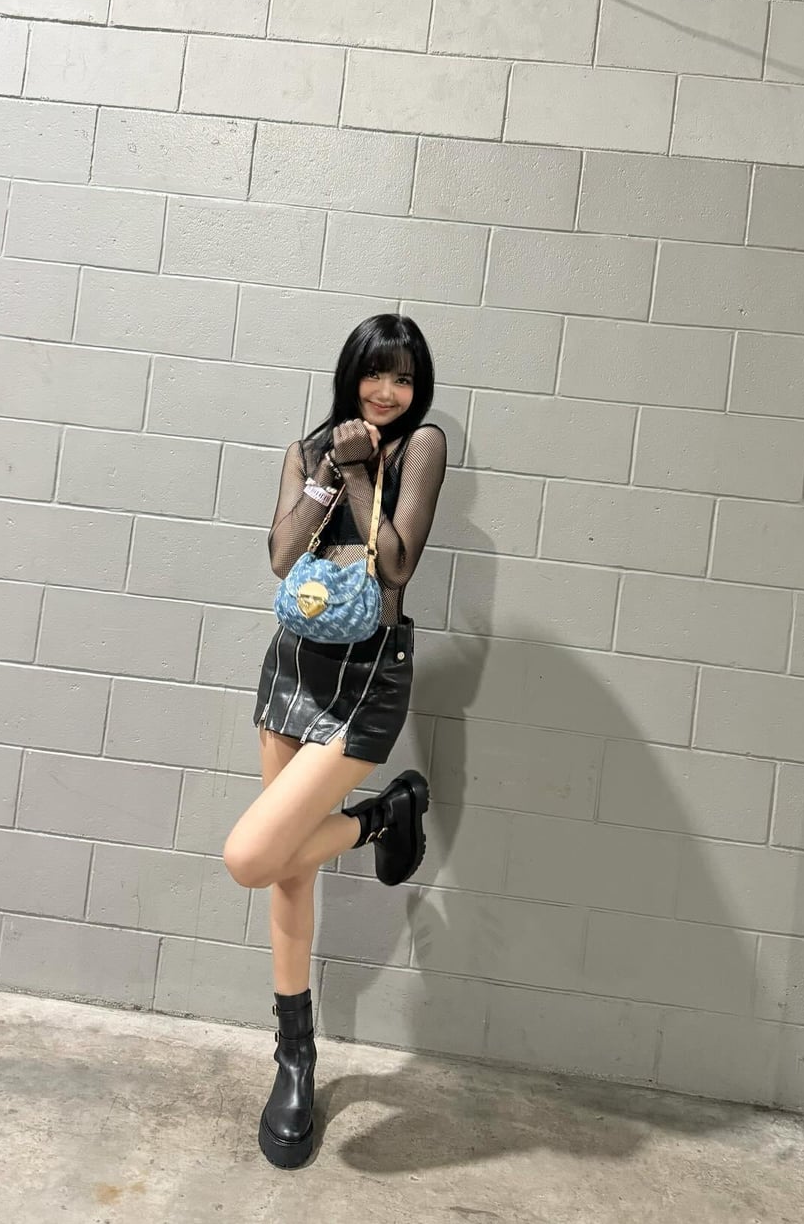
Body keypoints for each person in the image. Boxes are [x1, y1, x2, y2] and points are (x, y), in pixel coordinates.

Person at [222, 314, 448, 1170]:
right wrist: (324, 469)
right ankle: (296, 1058)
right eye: (375, 375)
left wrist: (359, 471)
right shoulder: (307, 448)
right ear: (350, 375)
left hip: (368, 677)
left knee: (254, 856)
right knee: (289, 869)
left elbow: (395, 566)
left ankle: (379, 816)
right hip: (293, 668)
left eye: (404, 378)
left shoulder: (420, 447)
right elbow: (283, 556)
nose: (387, 392)